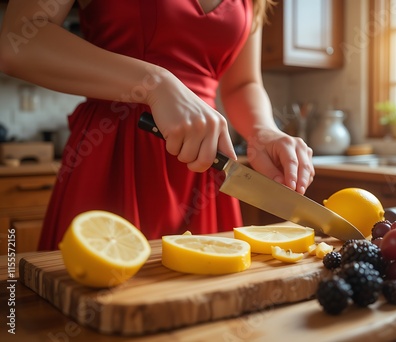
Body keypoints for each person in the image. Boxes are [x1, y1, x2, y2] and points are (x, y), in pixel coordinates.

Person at [0, 0, 315, 251]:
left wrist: (263, 131)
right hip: (113, 153)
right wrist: (155, 83)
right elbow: (20, 40)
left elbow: (242, 83)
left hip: (205, 163)